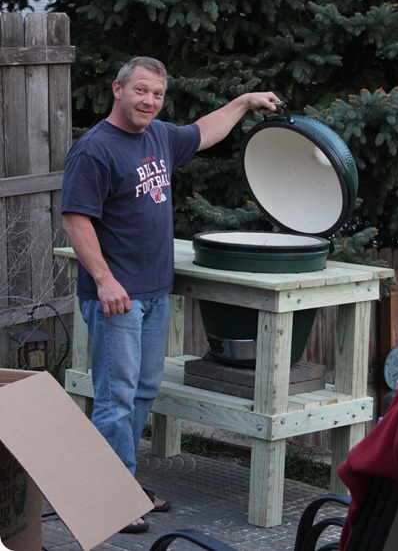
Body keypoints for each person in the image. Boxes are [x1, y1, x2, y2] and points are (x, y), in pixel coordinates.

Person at [61, 55, 281, 533]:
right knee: (116, 397)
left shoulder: (159, 136)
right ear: (118, 89)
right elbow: (75, 219)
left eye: (157, 94)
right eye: (141, 90)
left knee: (143, 391)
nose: (149, 101)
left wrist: (245, 101)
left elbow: (204, 131)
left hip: (156, 293)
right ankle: (108, 499)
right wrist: (105, 280)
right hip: (117, 298)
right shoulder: (94, 150)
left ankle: (121, 481)